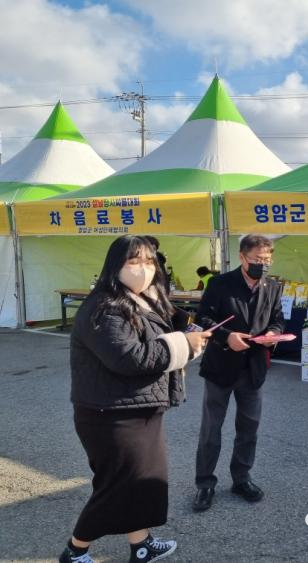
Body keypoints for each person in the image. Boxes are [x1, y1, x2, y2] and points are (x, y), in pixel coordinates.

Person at [59, 235, 211, 563]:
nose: (143, 269)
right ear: (115, 265)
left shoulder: (141, 299)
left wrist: (195, 332)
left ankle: (141, 544)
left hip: (138, 407)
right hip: (110, 415)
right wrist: (184, 344)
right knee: (117, 486)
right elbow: (129, 357)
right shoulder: (104, 306)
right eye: (134, 261)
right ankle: (75, 550)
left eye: (149, 262)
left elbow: (166, 326)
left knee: (142, 481)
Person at [192, 234, 284, 512]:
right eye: (257, 259)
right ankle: (205, 483)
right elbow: (202, 319)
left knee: (249, 428)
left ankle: (241, 478)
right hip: (221, 366)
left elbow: (278, 318)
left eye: (267, 260)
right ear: (242, 257)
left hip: (253, 368)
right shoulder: (220, 284)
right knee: (211, 429)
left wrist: (273, 334)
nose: (262, 265)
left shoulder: (272, 286)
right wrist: (226, 336)